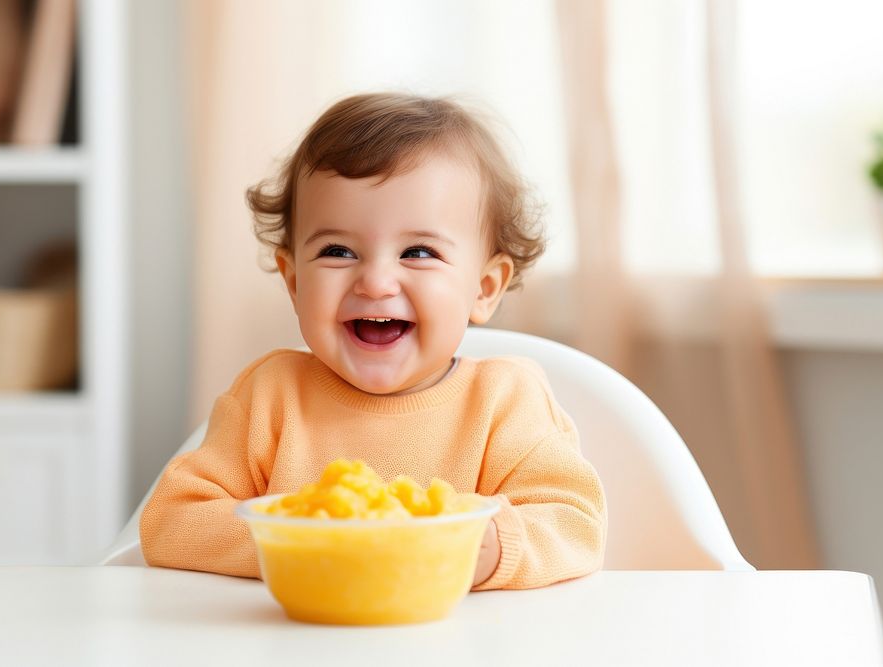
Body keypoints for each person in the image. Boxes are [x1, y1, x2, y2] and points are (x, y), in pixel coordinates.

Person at [140, 92, 606, 590]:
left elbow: (572, 523)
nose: (376, 282)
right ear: (294, 282)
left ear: (483, 288)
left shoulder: (503, 401)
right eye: (338, 251)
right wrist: (309, 543)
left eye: (418, 251)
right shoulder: (270, 397)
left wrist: (486, 548)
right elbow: (172, 521)